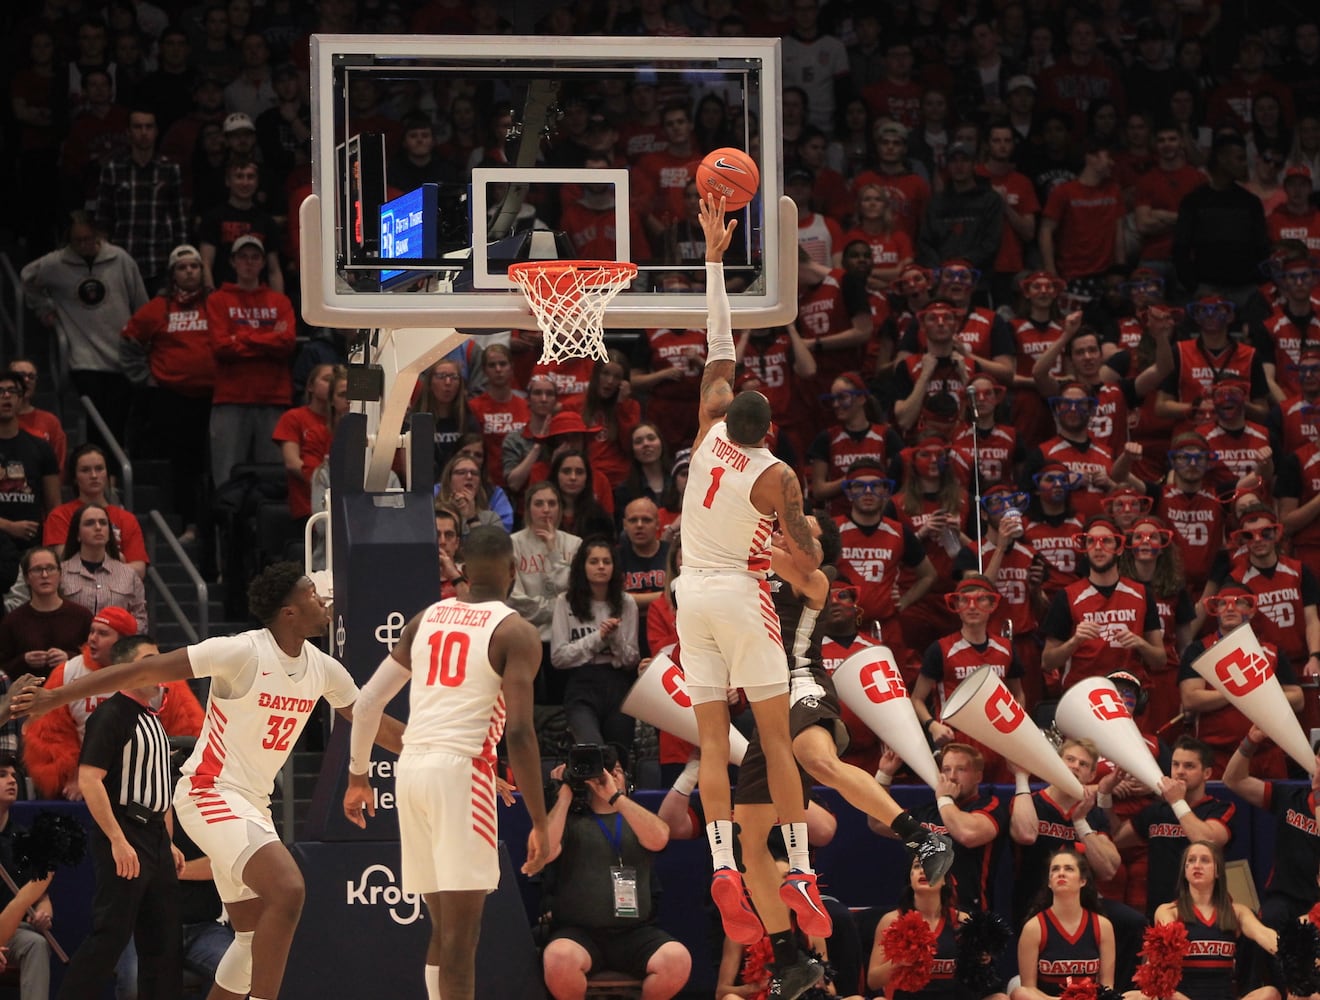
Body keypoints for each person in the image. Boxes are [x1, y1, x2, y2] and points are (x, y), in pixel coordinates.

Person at [11, 562, 406, 1000]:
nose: (324, 601)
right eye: (313, 595)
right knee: (289, 890)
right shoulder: (241, 652)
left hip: (254, 804)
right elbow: (141, 672)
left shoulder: (325, 668)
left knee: (251, 939)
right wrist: (54, 697)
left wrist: (453, 759)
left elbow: (373, 722)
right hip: (208, 792)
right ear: (288, 611)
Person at [676, 192, 825, 958]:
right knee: (774, 738)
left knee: (709, 743)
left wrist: (712, 256)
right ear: (770, 431)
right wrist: (789, 538)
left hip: (686, 599)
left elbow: (718, 338)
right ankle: (799, 873)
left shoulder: (704, 424)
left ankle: (723, 865)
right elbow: (812, 559)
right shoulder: (778, 477)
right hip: (737, 594)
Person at [738, 513, 954, 997]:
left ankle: (922, 837)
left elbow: (752, 551)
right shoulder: (759, 568)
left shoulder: (818, 577)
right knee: (747, 840)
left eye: (801, 527)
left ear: (819, 548)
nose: (786, 528)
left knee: (816, 758)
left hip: (803, 683)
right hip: (767, 703)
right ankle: (789, 958)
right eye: (785, 524)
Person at [342, 526, 548, 1000]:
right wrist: (539, 821)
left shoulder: (425, 618)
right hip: (461, 775)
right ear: (513, 572)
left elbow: (368, 702)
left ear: (462, 569)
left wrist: (357, 777)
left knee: (442, 930)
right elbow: (518, 732)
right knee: (462, 942)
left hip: (413, 769)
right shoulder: (515, 631)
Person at [57, 634, 183, 1000]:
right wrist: (117, 839)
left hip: (155, 837)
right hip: (126, 831)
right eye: (149, 660)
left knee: (164, 942)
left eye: (160, 659)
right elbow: (89, 779)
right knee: (109, 937)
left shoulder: (153, 718)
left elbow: (161, 788)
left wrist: (169, 841)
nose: (158, 668)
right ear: (126, 668)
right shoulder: (110, 715)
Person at [540, 748, 690, 1000]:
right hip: (579, 933)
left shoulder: (635, 817)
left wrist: (615, 797)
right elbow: (542, 852)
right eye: (599, 770)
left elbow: (660, 838)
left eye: (615, 771)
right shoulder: (570, 821)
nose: (605, 776)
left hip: (636, 932)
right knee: (558, 958)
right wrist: (564, 795)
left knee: (677, 960)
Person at [22, 606, 202, 800]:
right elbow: (49, 735)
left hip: (144, 776)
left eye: (102, 633)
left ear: (123, 641)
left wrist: (158, 775)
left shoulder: (163, 677)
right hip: (84, 775)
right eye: (91, 631)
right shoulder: (67, 673)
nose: (92, 638)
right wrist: (73, 773)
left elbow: (186, 731)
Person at [20, 213, 147, 456]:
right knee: (96, 414)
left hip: (121, 352)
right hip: (83, 355)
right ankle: (98, 473)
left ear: (98, 235)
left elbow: (140, 302)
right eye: (78, 241)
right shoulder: (56, 263)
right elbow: (27, 278)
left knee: (117, 418)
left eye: (89, 239)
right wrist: (44, 308)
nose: (84, 245)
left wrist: (143, 341)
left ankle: (113, 474)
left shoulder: (120, 259)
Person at [119, 243, 216, 540]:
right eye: (183, 267)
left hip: (215, 399)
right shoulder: (157, 308)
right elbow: (128, 343)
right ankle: (189, 524)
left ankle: (213, 528)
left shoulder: (217, 304)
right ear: (173, 274)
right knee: (183, 467)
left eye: (195, 266)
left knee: (212, 468)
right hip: (173, 399)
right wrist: (146, 379)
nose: (189, 272)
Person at [1102, 736, 1235, 919]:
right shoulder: (1157, 811)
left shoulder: (1219, 808)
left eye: (1189, 766)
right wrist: (1105, 795)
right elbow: (1116, 837)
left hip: (1203, 913)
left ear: (1207, 773)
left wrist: (1177, 802)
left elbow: (1207, 840)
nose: (1180, 772)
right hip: (1159, 911)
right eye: (1175, 765)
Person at [1130, 841, 1279, 1000]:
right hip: (1183, 998)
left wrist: (1298, 957)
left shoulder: (1237, 912)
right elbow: (1162, 952)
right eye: (1191, 860)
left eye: (1205, 860)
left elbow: (1265, 935)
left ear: (1218, 871)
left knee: (1270, 993)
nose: (1197, 865)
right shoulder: (1169, 911)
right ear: (1185, 871)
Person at [206, 233, 296, 488]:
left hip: (274, 397)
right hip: (230, 398)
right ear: (233, 262)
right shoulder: (218, 300)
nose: (249, 262)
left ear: (263, 263)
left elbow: (287, 343)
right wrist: (268, 338)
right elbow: (221, 346)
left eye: (255, 257)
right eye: (243, 257)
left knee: (273, 479)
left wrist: (241, 337)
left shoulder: (279, 301)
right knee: (226, 476)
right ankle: (224, 528)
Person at [551, 537, 639, 752]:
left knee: (619, 756)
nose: (601, 566)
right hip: (581, 684)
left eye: (606, 562)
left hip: (617, 684)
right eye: (594, 561)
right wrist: (597, 637)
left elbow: (632, 660)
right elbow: (558, 657)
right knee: (591, 751)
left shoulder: (627, 603)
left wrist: (614, 638)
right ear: (582, 566)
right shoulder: (565, 602)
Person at [94, 107, 187, 292]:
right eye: (137, 127)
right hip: (122, 261)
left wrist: (180, 260)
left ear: (156, 131)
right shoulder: (113, 169)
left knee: (160, 320)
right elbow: (103, 221)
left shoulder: (170, 169)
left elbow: (180, 221)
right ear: (128, 132)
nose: (144, 132)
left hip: (160, 262)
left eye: (149, 127)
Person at [1011, 846, 1116, 1000]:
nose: (1061, 873)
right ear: (1049, 882)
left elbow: (1107, 987)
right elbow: (1029, 989)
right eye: (1055, 869)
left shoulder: (1102, 926)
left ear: (1082, 881)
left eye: (1069, 869)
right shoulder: (1034, 927)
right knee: (1019, 993)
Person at [43, 444, 149, 578]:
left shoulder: (126, 518)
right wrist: (117, 561)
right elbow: (65, 561)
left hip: (118, 594)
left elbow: (139, 570)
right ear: (75, 478)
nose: (93, 475)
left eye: (99, 469)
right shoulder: (59, 516)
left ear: (107, 474)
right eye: (85, 470)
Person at [0, 755, 54, 1000]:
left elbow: (41, 896)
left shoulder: (25, 839)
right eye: (2, 775)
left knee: (37, 943)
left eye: (13, 775)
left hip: (14, 931)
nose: (12, 780)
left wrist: (44, 913)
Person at [0, 546, 93, 682]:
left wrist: (70, 658)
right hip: (28, 696)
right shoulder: (12, 621)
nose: (44, 575)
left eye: (50, 568)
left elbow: (97, 657)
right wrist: (23, 660)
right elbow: (3, 667)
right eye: (37, 570)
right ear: (26, 578)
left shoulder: (82, 615)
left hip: (73, 693)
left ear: (60, 574)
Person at [59, 503, 148, 628]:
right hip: (71, 645)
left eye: (103, 523)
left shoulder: (128, 574)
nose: (98, 527)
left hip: (118, 645)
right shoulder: (60, 573)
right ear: (77, 535)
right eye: (89, 523)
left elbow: (140, 620)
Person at [0, 371, 63, 545]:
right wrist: (8, 526)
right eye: (0, 391)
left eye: (12, 391)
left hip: (31, 549)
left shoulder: (41, 448)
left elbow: (54, 508)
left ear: (21, 399)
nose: (6, 396)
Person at [271, 363, 337, 521]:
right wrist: (324, 484)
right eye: (327, 379)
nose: (331, 385)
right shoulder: (294, 417)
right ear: (310, 386)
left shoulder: (341, 422)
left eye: (335, 381)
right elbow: (292, 463)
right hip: (307, 503)